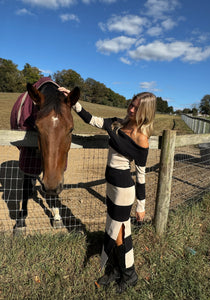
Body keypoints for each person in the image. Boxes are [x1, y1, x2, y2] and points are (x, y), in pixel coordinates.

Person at [59, 87, 156, 293]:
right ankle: (117, 271)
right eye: (131, 104)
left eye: (136, 108)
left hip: (123, 190)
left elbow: (140, 175)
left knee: (118, 232)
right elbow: (91, 119)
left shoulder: (142, 138)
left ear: (145, 112)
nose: (130, 109)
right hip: (111, 187)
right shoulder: (116, 124)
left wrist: (141, 206)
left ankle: (128, 274)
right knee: (118, 230)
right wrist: (73, 101)